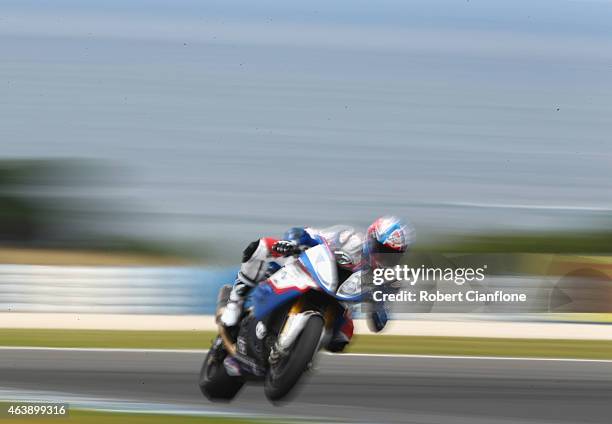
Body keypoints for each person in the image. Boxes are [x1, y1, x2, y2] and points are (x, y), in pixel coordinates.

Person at [220, 216, 414, 350]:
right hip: (315, 274)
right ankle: (234, 305)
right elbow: (312, 234)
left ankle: (302, 354)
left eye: (393, 255)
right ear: (371, 239)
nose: (385, 256)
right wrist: (295, 240)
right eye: (382, 248)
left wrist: (378, 304)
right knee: (261, 248)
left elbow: (379, 322)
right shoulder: (350, 238)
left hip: (339, 301)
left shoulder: (385, 278)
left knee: (342, 339)